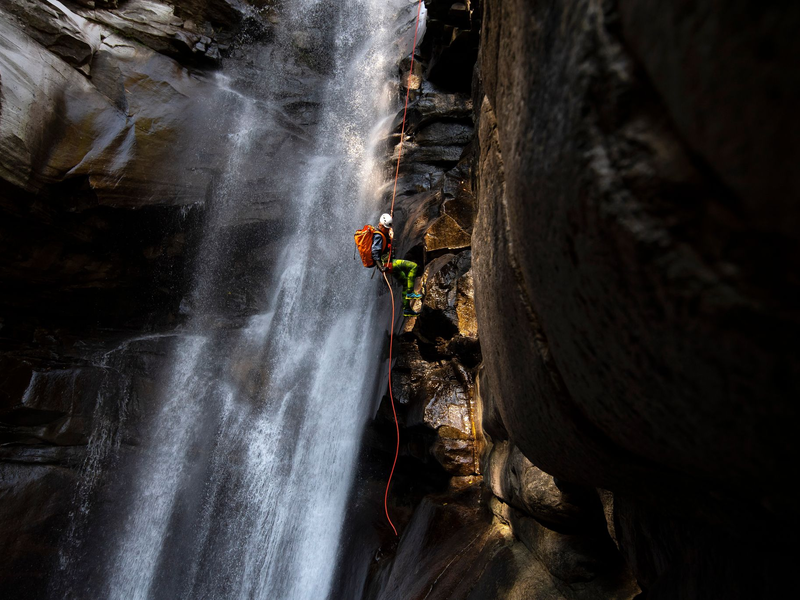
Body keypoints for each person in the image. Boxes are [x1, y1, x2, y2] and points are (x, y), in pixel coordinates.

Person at [373, 213, 422, 317]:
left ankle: (407, 309)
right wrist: (381, 267)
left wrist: (390, 235)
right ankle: (410, 293)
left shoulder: (383, 232)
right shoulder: (378, 236)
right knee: (413, 266)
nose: (388, 229)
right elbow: (375, 253)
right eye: (386, 228)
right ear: (381, 226)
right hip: (388, 264)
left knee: (405, 281)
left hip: (389, 262)